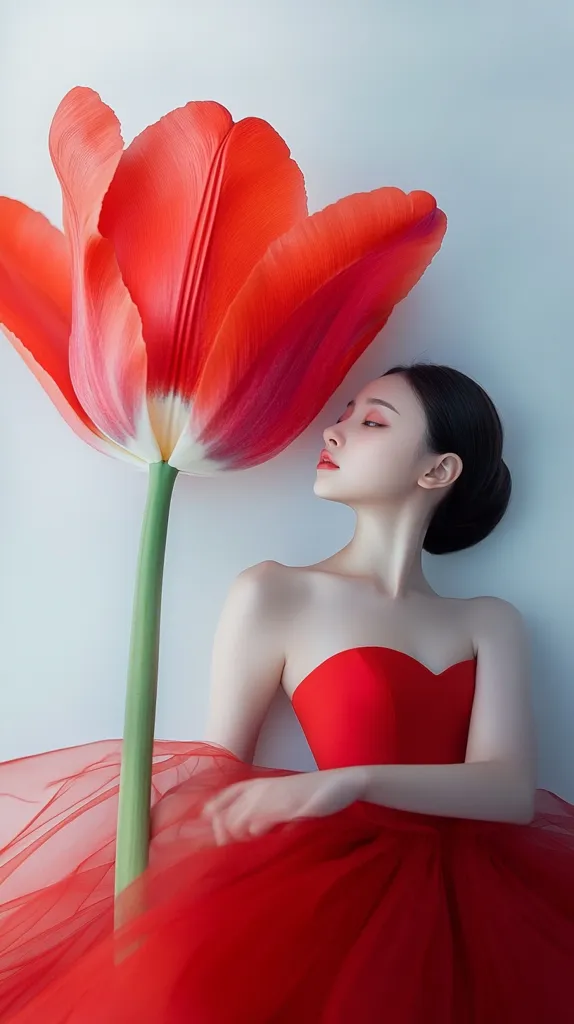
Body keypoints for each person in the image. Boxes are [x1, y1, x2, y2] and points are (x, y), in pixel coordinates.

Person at [0, 362, 573, 1023]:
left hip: (486, 906)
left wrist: (349, 782)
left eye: (372, 421)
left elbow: (507, 792)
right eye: (345, 413)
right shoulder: (276, 592)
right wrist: (141, 890)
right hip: (329, 896)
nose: (335, 430)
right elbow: (218, 767)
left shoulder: (489, 620)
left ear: (438, 471)